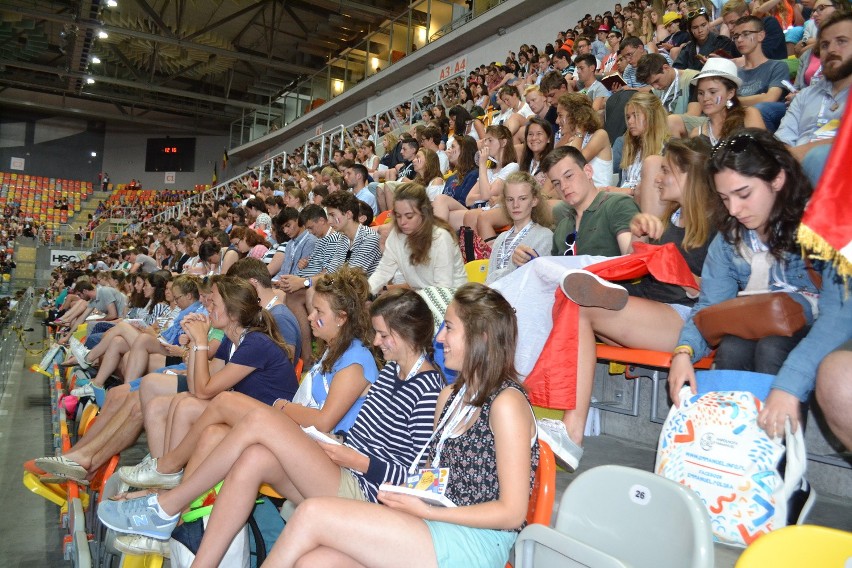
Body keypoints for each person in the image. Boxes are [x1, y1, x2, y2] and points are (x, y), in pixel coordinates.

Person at [99, 269, 388, 556]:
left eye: (317, 311)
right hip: (309, 445)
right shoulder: (333, 352)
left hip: (329, 456)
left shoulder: (356, 359)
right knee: (213, 433)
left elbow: (325, 420)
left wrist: (281, 407)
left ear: (342, 317)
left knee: (224, 402)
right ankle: (172, 521)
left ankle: (167, 471)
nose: (310, 318)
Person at [259, 283, 539, 568]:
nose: (440, 338)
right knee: (316, 562)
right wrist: (411, 497)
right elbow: (429, 475)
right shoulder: (450, 396)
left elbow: (513, 513)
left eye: (450, 328)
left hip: (475, 539)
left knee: (311, 514)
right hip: (434, 520)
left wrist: (427, 511)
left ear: (482, 337)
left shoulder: (506, 404)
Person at [537, 138, 714, 469]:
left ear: (689, 174)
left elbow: (722, 290)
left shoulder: (718, 221)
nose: (658, 178)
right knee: (573, 304)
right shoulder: (673, 219)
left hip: (687, 318)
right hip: (655, 304)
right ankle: (569, 431)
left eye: (666, 170)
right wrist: (643, 245)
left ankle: (571, 434)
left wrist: (686, 280)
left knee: (580, 305)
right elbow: (650, 270)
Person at [669, 129, 850, 439]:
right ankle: (736, 459)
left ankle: (779, 469)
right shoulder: (730, 238)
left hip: (823, 327)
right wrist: (683, 353)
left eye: (744, 194)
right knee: (735, 345)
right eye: (725, 198)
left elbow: (839, 315)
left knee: (771, 347)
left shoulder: (821, 223)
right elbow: (710, 307)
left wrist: (788, 386)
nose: (734, 210)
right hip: (766, 321)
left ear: (777, 179)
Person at [776, 12, 850, 182]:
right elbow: (782, 141)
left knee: (819, 157)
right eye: (824, 45)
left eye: (841, 41)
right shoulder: (805, 96)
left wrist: (805, 153)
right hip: (796, 179)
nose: (831, 49)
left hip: (842, 183)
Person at [368, 183, 467, 295]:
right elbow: (383, 272)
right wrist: (364, 294)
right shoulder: (395, 236)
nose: (402, 222)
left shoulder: (441, 237)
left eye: (409, 216)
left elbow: (443, 288)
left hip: (452, 300)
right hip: (422, 297)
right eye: (398, 216)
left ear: (424, 213)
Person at [545, 146, 639, 257]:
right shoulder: (562, 227)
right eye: (556, 183)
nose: (563, 186)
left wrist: (640, 234)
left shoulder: (618, 205)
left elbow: (632, 259)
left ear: (588, 171)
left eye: (569, 176)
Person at [450, 125, 519, 236]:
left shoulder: (512, 167)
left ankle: (479, 252)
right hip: (485, 208)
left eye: (490, 140)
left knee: (471, 216)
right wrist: (484, 194)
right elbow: (469, 199)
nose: (486, 144)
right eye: (485, 140)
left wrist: (482, 164)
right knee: (444, 210)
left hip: (501, 211)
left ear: (504, 142)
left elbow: (486, 195)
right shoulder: (489, 171)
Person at [486, 172, 554, 285]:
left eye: (522, 199)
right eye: (510, 199)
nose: (515, 205)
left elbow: (531, 282)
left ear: (534, 200)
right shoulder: (500, 239)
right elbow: (489, 278)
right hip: (495, 299)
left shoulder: (544, 237)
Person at [730, 16, 791, 131]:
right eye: (736, 36)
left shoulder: (777, 66)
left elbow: (770, 98)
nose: (739, 40)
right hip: (734, 122)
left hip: (763, 123)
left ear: (761, 35)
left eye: (746, 34)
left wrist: (735, 100)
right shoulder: (734, 72)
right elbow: (725, 102)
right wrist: (759, 97)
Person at [688, 58, 766, 145]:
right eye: (701, 93)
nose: (705, 98)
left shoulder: (748, 115)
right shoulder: (696, 134)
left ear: (730, 93)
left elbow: (763, 152)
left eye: (713, 92)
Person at [555, 94, 613, 188]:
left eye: (560, 115)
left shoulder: (600, 135)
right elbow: (554, 163)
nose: (557, 121)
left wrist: (578, 130)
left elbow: (573, 163)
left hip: (600, 197)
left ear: (574, 116)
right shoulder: (573, 139)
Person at [673, 7, 739, 71]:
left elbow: (729, 67)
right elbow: (677, 68)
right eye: (695, 27)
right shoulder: (688, 48)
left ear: (708, 24)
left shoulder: (723, 42)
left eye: (703, 25)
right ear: (690, 30)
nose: (700, 30)